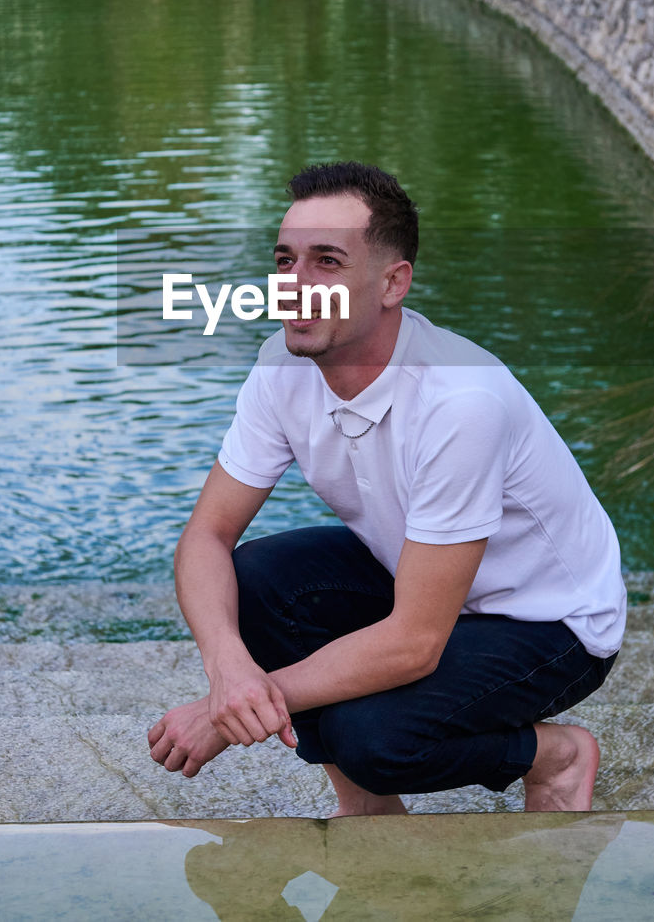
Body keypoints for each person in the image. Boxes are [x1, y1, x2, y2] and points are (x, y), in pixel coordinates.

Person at [148, 162, 625, 816]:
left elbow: (415, 641)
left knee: (372, 736)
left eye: (327, 261)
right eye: (284, 260)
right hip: (422, 579)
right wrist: (228, 667)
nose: (295, 285)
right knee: (257, 581)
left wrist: (223, 713)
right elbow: (206, 535)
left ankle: (556, 753)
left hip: (551, 620)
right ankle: (369, 810)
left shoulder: (460, 400)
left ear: (392, 282)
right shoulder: (281, 366)